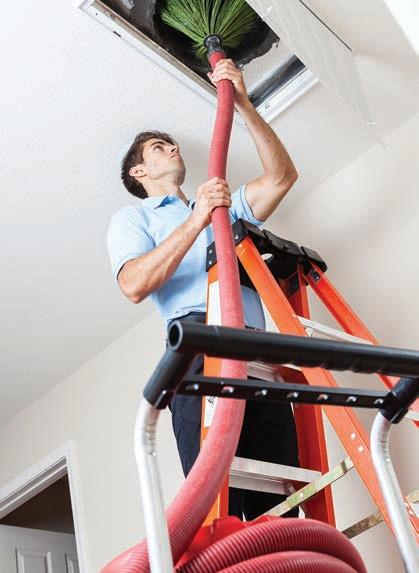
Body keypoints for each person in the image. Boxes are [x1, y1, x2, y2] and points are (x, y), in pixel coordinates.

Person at [107, 59, 300, 520]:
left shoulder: (222, 208)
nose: (173, 147)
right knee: (216, 501)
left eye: (171, 143)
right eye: (158, 147)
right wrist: (197, 220)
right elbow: (133, 284)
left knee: (282, 503)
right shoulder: (135, 218)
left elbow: (281, 178)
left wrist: (245, 104)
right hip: (199, 347)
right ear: (139, 173)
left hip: (256, 351)